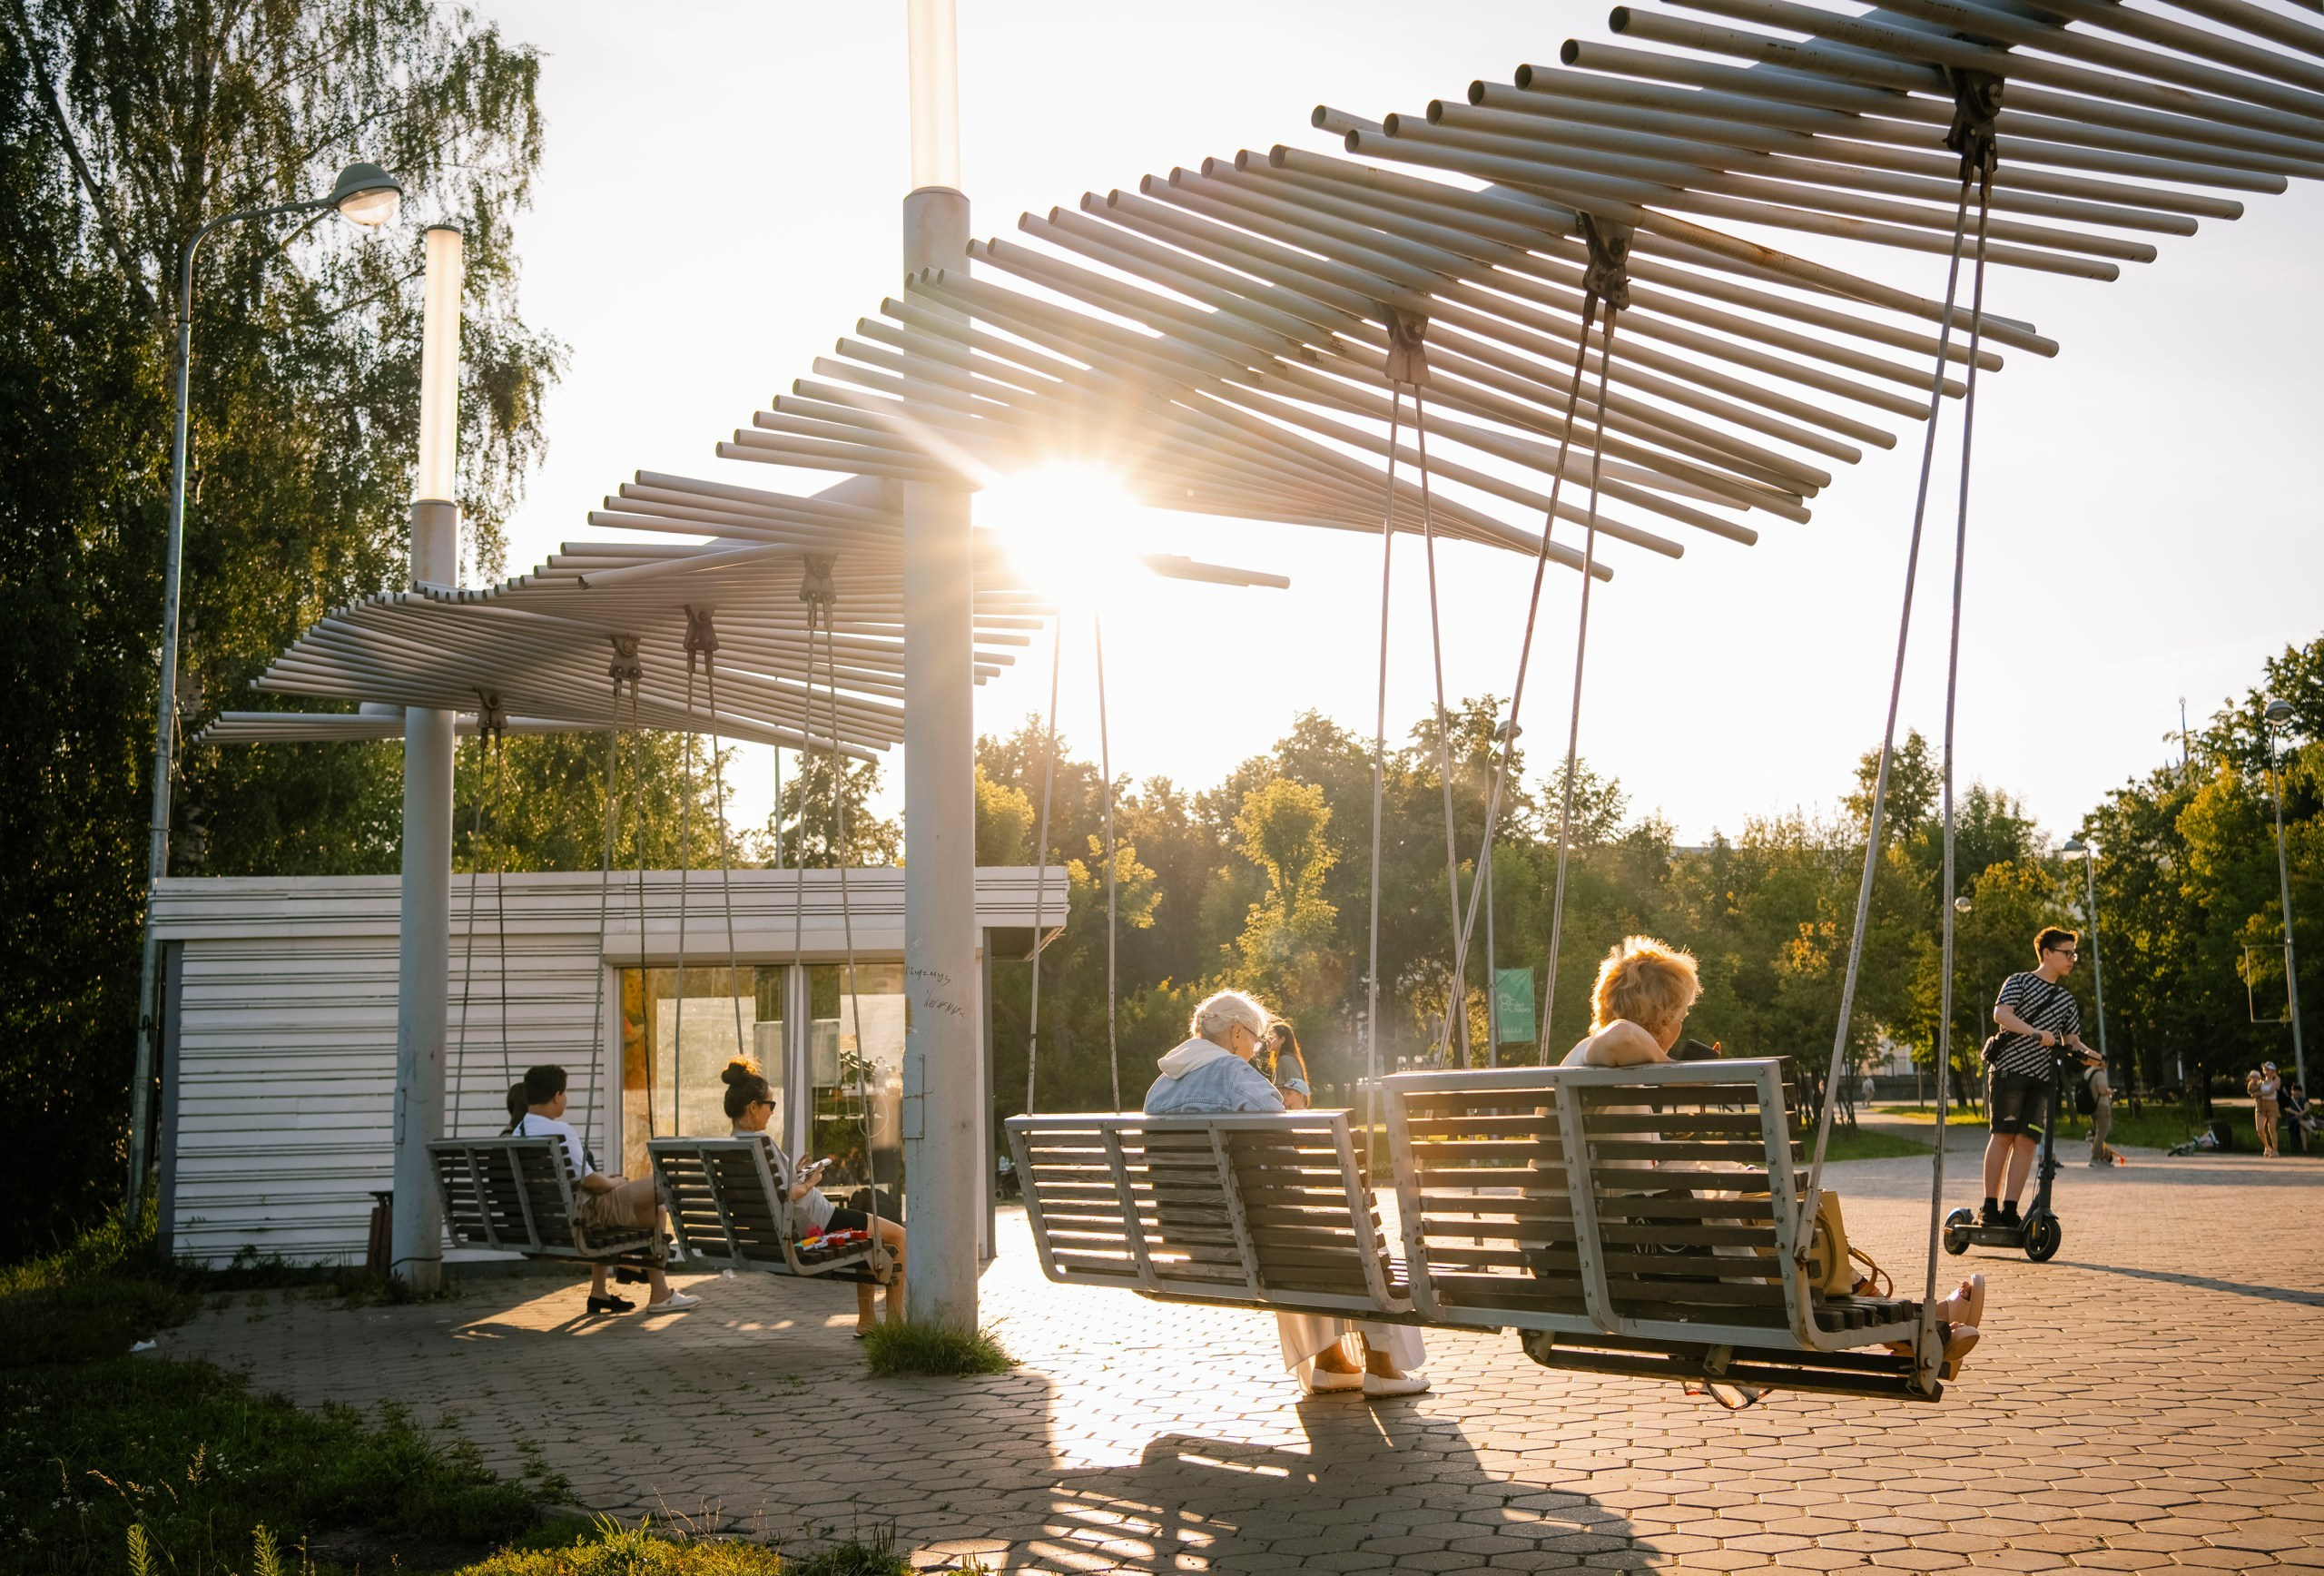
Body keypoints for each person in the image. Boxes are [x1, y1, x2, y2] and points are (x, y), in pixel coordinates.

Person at [1567, 937, 1986, 1401]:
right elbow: (1622, 1036)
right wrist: (1672, 1069)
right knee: (1771, 1210)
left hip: (1593, 1254)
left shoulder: (1592, 1072)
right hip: (1629, 1259)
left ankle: (1915, 1325)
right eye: (1680, 1019)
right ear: (1661, 1020)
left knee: (1751, 1198)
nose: (1681, 1028)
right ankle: (1920, 1327)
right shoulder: (1599, 1052)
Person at [1146, 989, 1429, 1398]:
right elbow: (1284, 1169)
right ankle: (1382, 1367)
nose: (1256, 1051)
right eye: (1256, 1041)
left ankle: (1331, 1363)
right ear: (1238, 1033)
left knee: (1294, 1247)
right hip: (1256, 1237)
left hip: (1191, 1238)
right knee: (1356, 1245)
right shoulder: (1236, 1075)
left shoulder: (1161, 1086)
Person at [723, 1059, 905, 1335]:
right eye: (770, 1105)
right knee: (898, 1236)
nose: (772, 1112)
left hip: (781, 1235)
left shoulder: (733, 1148)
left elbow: (772, 1192)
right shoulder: (760, 1144)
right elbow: (786, 1196)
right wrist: (808, 1185)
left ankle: (868, 1321)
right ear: (753, 1107)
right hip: (817, 1229)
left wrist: (795, 1173)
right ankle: (895, 1324)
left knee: (865, 1209)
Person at [511, 1064, 696, 1317]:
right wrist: (614, 1183)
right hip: (587, 1213)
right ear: (557, 1096)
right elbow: (591, 1183)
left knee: (656, 1212)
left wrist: (604, 1181)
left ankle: (651, 1293)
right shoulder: (559, 1131)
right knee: (665, 1181)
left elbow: (578, 1179)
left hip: (552, 1219)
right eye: (564, 1094)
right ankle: (648, 1282)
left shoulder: (519, 1132)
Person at [1979, 927, 2101, 1226]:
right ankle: (1988, 1208)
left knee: (2027, 1142)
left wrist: (2094, 1057)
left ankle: (2009, 1210)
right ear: (2047, 953)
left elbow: (2072, 1041)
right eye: (2067, 953)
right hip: (2009, 1071)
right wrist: (2034, 1032)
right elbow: (2001, 1015)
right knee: (2004, 1136)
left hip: (2041, 1077)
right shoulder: (2019, 981)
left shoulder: (2066, 1000)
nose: (2073, 959)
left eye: (2075, 953)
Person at [1264, 1021, 1314, 1110]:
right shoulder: (1281, 1060)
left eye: (1272, 1036)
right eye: (1267, 1036)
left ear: (1282, 1040)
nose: (1267, 1039)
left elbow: (1297, 1092)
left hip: (1291, 1118)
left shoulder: (1286, 1060)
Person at [2085, 1060, 2118, 1167]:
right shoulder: (2099, 1074)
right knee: (2102, 1133)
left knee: (2096, 1132)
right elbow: (2102, 1090)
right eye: (2106, 1064)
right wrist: (2111, 1091)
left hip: (2091, 1105)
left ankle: (2101, 1157)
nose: (2106, 1067)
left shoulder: (2088, 1072)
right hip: (2101, 1106)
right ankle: (2095, 1158)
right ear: (2102, 1062)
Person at [2249, 1063, 2283, 1158]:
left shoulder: (2276, 1080)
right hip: (2261, 1105)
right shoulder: (2261, 1081)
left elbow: (2270, 1092)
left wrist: (2257, 1094)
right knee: (2259, 1129)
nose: (2265, 1072)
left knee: (2271, 1128)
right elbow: (2252, 1090)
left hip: (2272, 1104)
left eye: (2267, 1070)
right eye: (2264, 1070)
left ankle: (2275, 1150)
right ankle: (2267, 1147)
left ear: (2273, 1071)